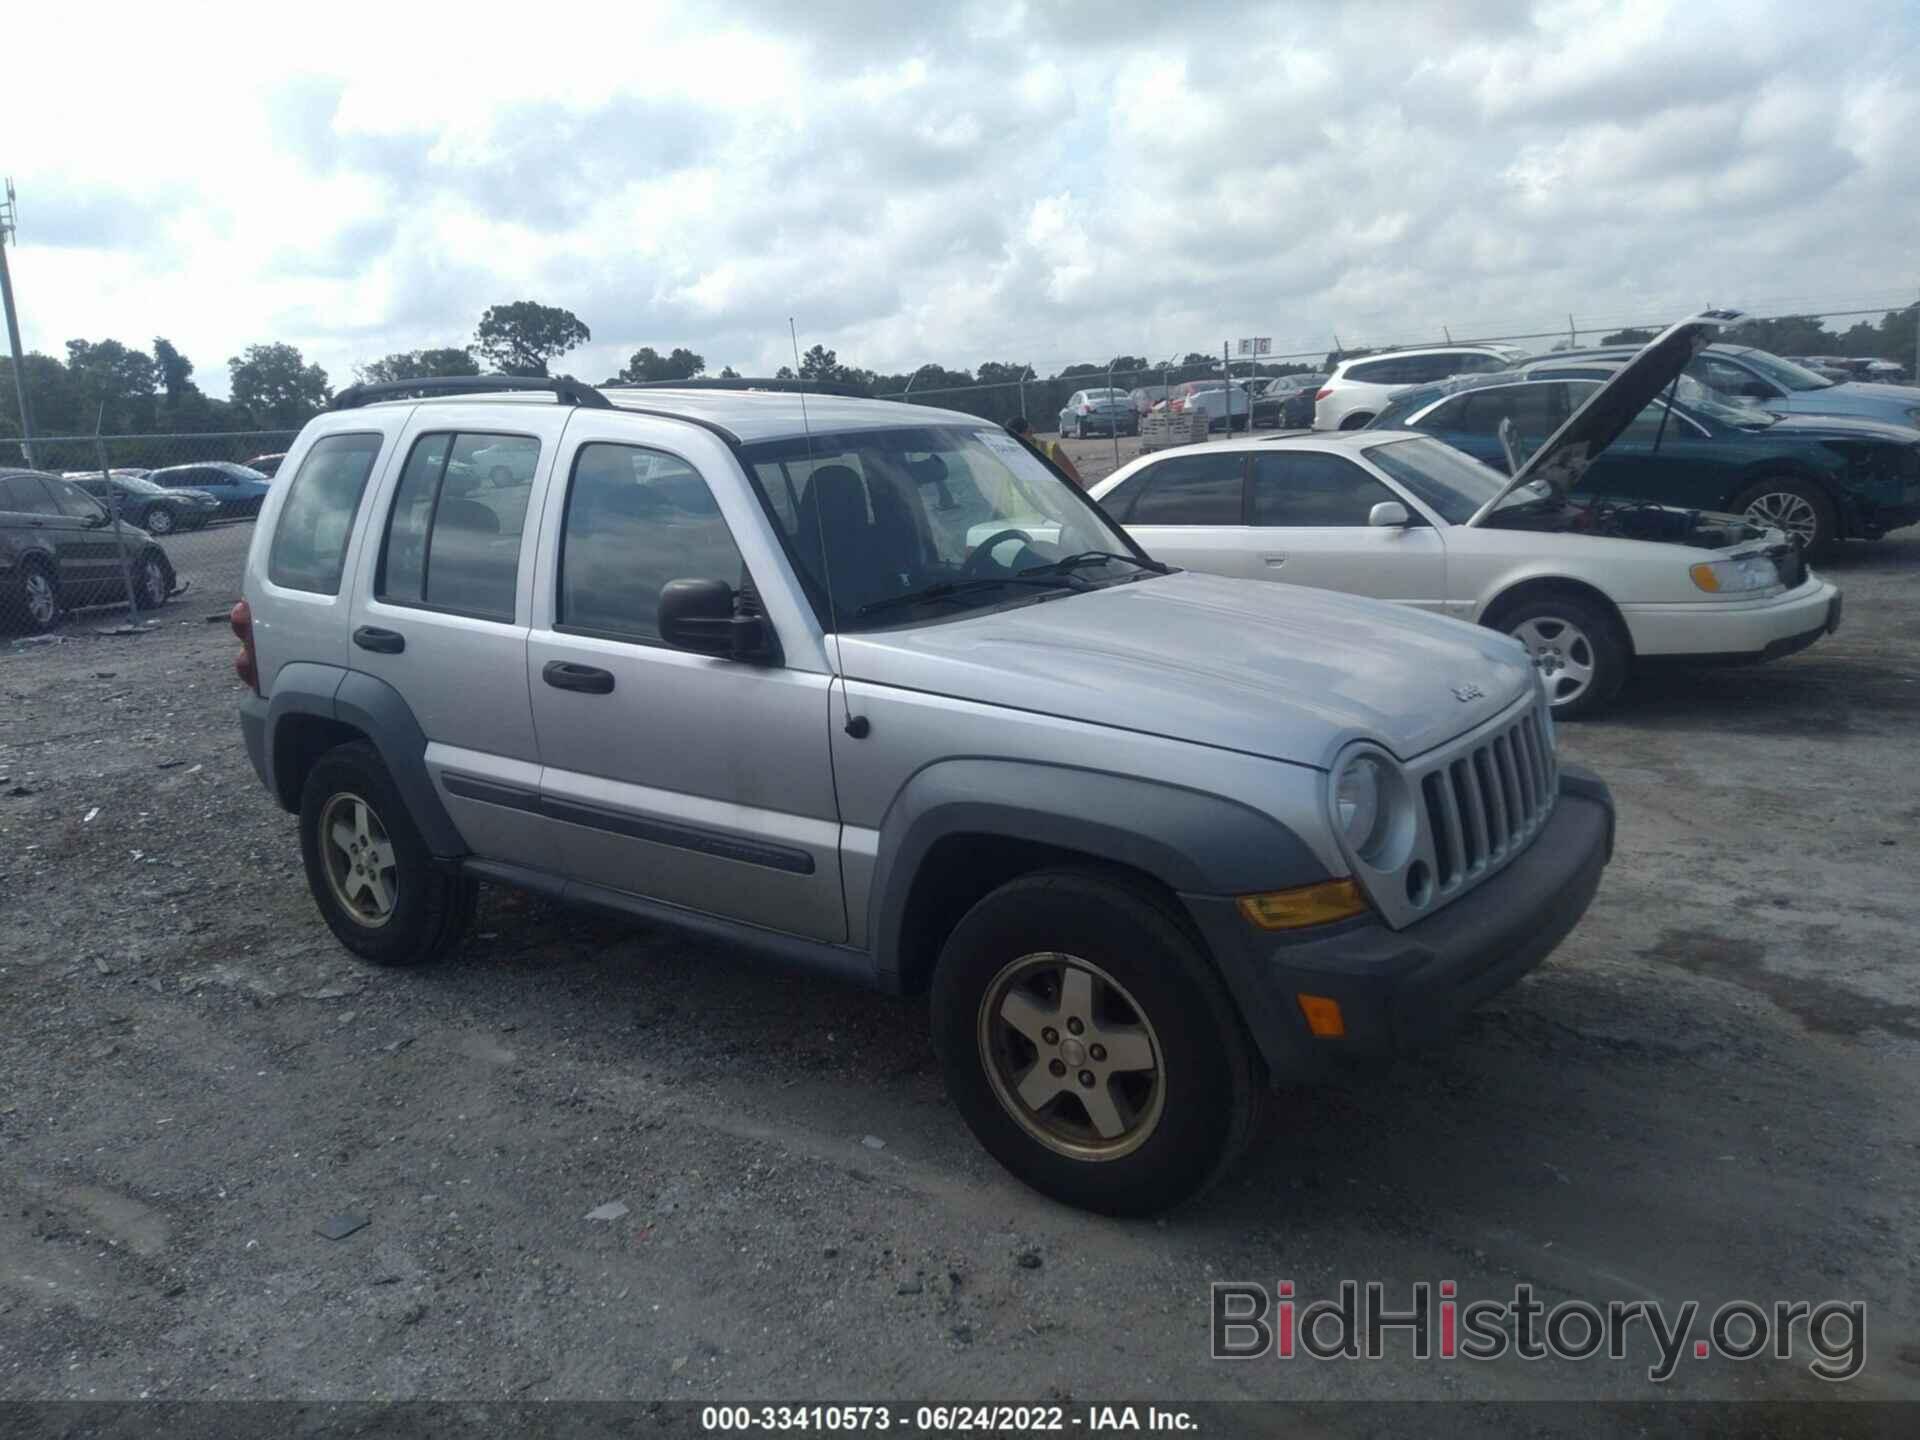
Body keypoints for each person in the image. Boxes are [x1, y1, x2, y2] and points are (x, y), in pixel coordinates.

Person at [1005, 416, 1085, 489]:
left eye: (1017, 437)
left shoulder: (1051, 449)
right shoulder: (1007, 456)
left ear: (1029, 431)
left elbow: (1075, 479)